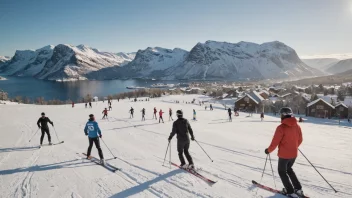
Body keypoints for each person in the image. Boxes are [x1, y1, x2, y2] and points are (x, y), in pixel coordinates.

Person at [264, 107, 304, 198]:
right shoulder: (297, 126)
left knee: (282, 171)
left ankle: (290, 191)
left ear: (283, 115)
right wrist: (294, 146)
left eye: (281, 115)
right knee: (289, 169)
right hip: (294, 154)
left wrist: (268, 150)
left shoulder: (281, 127)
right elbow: (300, 139)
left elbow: (275, 142)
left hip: (284, 155)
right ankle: (298, 189)